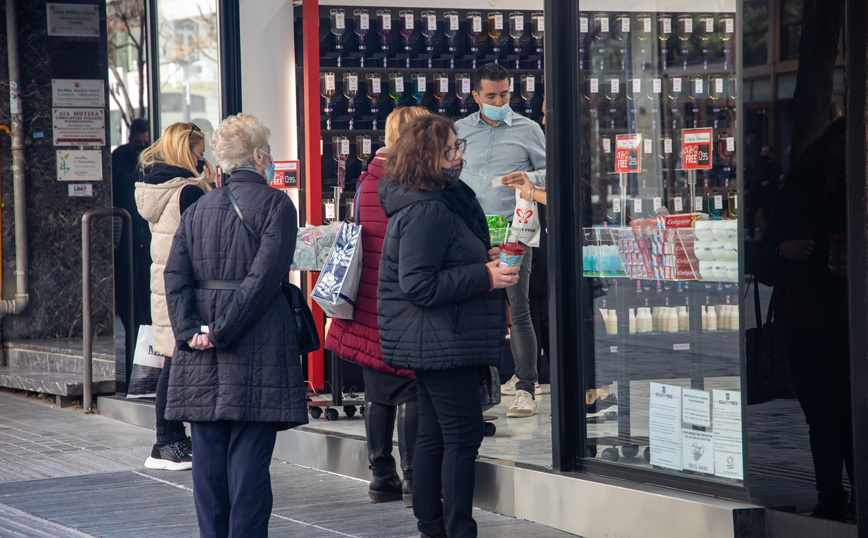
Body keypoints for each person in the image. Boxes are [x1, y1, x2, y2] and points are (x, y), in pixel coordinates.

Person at [163, 113, 309, 537]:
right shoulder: (277, 205)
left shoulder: (198, 207)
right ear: (259, 155)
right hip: (257, 341)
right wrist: (222, 330)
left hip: (200, 345)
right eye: (269, 153)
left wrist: (193, 330)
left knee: (207, 457)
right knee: (249, 460)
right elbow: (264, 281)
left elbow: (174, 276)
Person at [378, 114, 519, 538]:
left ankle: (433, 526)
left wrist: (482, 258)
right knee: (460, 435)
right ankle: (455, 528)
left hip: (440, 336)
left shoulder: (437, 201)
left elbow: (441, 261)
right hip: (442, 338)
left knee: (436, 433)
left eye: (459, 147)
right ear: (427, 159)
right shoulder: (427, 209)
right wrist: (486, 276)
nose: (459, 156)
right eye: (450, 150)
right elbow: (418, 283)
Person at [325, 106, 429, 507]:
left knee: (378, 389)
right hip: (400, 297)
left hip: (368, 299)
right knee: (410, 388)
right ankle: (413, 478)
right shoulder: (410, 182)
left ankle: (380, 474)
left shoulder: (370, 180)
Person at [754, 118, 852, 521]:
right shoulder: (800, 186)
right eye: (842, 147)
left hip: (850, 318)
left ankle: (847, 495)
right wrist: (783, 249)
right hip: (807, 316)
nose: (847, 155)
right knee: (821, 415)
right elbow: (764, 261)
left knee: (849, 413)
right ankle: (830, 497)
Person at [456, 62, 547, 419]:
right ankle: (479, 388)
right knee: (472, 308)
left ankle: (527, 387)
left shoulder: (528, 129)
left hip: (514, 232)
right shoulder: (459, 130)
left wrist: (528, 176)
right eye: (491, 95)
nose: (499, 100)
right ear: (476, 96)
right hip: (469, 232)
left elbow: (552, 171)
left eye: (504, 94)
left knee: (518, 307)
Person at [135, 122, 213, 470]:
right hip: (182, 285)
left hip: (164, 280)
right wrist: (207, 182)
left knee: (173, 358)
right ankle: (166, 442)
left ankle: (168, 441)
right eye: (199, 154)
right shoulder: (188, 191)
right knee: (176, 360)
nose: (203, 159)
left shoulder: (157, 186)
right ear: (187, 153)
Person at [112, 118, 151, 334]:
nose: (142, 147)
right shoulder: (119, 157)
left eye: (145, 142)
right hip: (125, 231)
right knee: (130, 284)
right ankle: (135, 332)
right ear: (130, 139)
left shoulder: (152, 159)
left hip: (146, 231)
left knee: (146, 285)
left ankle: (146, 331)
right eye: (138, 142)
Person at [746, 144, 783, 239]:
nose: (762, 154)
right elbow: (751, 176)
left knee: (768, 216)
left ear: (770, 153)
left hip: (767, 195)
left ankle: (769, 236)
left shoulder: (775, 165)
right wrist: (747, 188)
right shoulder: (757, 162)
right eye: (762, 152)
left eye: (765, 152)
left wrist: (769, 182)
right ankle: (751, 234)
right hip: (754, 193)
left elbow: (778, 180)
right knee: (750, 214)